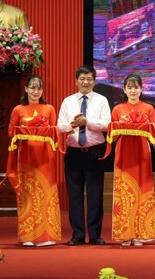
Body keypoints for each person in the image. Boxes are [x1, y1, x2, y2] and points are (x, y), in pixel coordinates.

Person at [57, 65, 111, 246]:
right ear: (76, 81)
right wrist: (72, 124)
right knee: (75, 195)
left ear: (94, 81)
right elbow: (60, 126)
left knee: (95, 195)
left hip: (95, 152)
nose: (85, 82)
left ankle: (95, 234)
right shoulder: (68, 101)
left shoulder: (102, 100)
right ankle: (77, 234)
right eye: (82, 79)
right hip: (73, 153)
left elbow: (106, 125)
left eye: (89, 79)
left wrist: (87, 122)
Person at [7, 75, 61, 246]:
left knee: (45, 193)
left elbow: (55, 132)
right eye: (32, 87)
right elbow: (10, 132)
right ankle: (28, 236)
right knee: (28, 194)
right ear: (26, 89)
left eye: (38, 88)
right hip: (26, 157)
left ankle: (47, 236)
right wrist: (24, 130)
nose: (35, 91)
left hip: (46, 157)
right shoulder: (18, 109)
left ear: (42, 90)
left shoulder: (49, 108)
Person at [110, 74, 155, 246]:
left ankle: (141, 233)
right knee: (124, 190)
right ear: (124, 89)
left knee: (142, 188)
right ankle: (125, 233)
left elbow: (153, 132)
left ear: (141, 89)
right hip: (123, 152)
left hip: (142, 152)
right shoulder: (117, 109)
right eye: (129, 87)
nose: (133, 90)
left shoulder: (148, 108)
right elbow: (112, 133)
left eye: (136, 87)